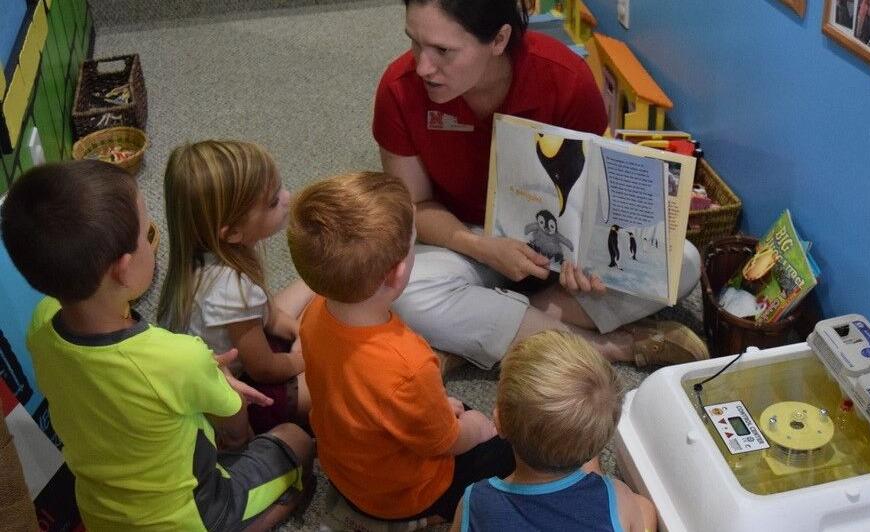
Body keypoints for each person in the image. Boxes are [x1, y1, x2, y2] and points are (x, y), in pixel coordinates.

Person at [373, 0, 706, 371]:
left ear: (499, 39)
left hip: (556, 250)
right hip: (466, 238)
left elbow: (593, 194)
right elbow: (415, 205)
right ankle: (604, 346)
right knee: (404, 290)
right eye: (415, 43)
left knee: (683, 262)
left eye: (443, 51)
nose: (423, 66)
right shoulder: (398, 90)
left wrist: (585, 258)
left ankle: (487, 331)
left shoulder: (565, 78)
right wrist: (481, 246)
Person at [0, 160, 314, 531]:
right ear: (124, 267)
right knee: (298, 442)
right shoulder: (178, 357)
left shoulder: (41, 323)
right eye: (146, 231)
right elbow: (235, 430)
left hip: (101, 513)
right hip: (190, 517)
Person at [287, 171, 516, 525]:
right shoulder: (409, 362)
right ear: (397, 274)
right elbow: (446, 442)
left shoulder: (314, 314)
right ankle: (438, 513)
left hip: (346, 472)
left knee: (447, 408)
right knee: (504, 446)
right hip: (402, 496)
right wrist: (477, 427)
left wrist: (436, 408)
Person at [157, 140, 314, 445]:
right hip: (241, 394)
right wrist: (307, 357)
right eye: (272, 202)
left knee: (315, 291)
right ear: (232, 233)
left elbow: (270, 315)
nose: (288, 198)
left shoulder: (208, 255)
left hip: (241, 349)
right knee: (337, 379)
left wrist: (300, 331)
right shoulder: (231, 289)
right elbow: (265, 369)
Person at [451, 330, 656, 531]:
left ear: (499, 424)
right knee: (644, 508)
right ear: (598, 446)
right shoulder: (618, 498)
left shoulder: (475, 502)